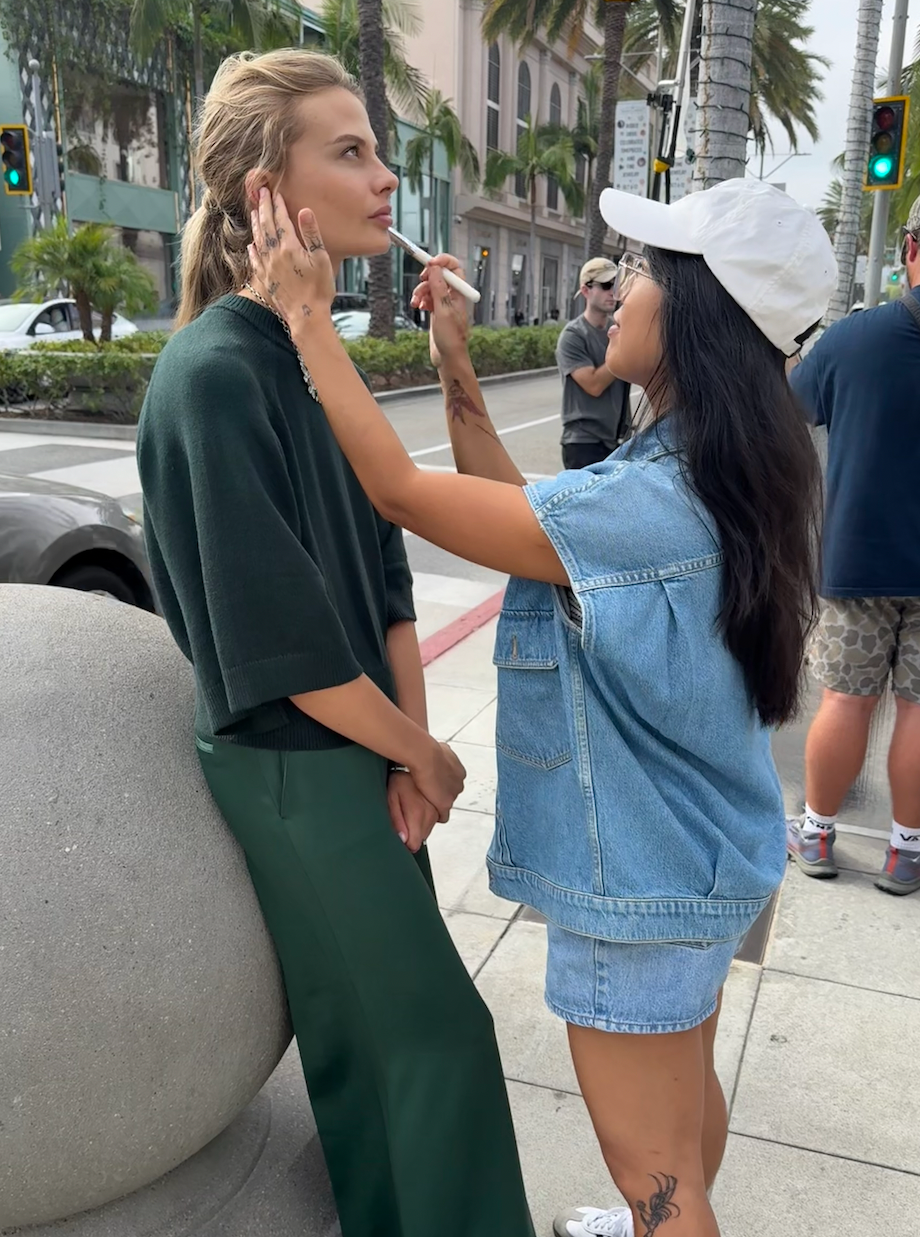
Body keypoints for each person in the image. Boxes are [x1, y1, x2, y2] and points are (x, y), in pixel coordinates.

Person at [248, 177, 835, 1237]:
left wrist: (302, 313)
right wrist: (454, 362)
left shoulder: (655, 502)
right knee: (681, 1098)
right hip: (696, 862)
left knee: (653, 1174)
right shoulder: (715, 469)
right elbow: (517, 518)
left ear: (703, 315)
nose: (619, 292)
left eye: (649, 272)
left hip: (640, 887)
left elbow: (402, 492)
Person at [135, 49, 536, 1237]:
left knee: (385, 1043)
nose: (380, 176)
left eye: (374, 146)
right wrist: (420, 748)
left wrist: (408, 748)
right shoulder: (214, 373)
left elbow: (382, 569)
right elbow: (280, 646)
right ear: (268, 194)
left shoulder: (308, 358)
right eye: (346, 150)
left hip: (353, 748)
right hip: (296, 765)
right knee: (423, 1037)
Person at [785, 193, 920, 897]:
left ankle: (816, 831)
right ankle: (905, 850)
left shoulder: (853, 341)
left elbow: (788, 412)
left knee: (846, 699)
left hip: (858, 562)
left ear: (909, 251)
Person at [556, 257, 632, 469]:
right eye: (606, 285)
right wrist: (623, 350)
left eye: (616, 285)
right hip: (584, 442)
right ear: (586, 290)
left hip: (617, 441)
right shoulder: (573, 335)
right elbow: (593, 385)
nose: (612, 292)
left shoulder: (617, 330)